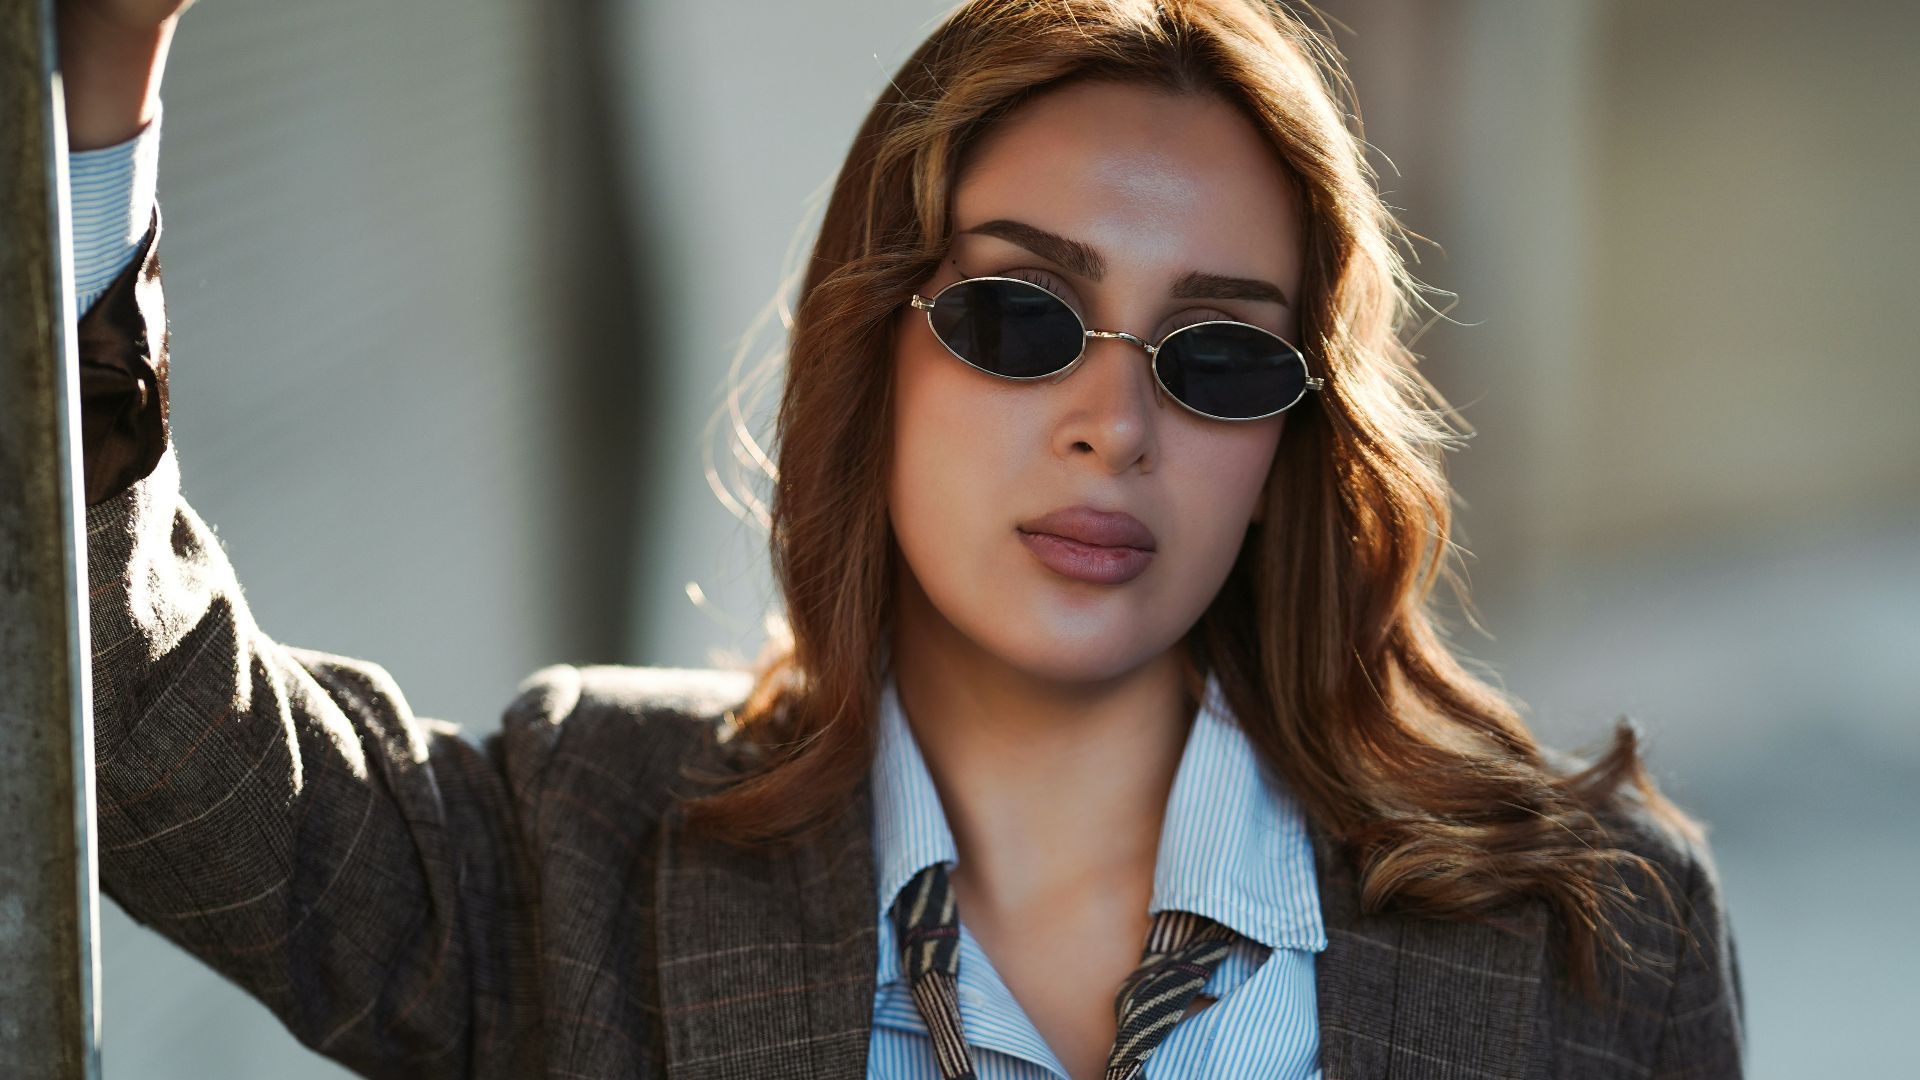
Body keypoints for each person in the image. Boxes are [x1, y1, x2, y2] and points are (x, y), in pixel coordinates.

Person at [57, 0, 1744, 1077]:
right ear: (878, 345)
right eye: (1021, 315)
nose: (1116, 423)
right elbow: (131, 732)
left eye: (1217, 356)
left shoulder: (1598, 935)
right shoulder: (589, 845)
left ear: (1290, 444)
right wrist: (105, 79)